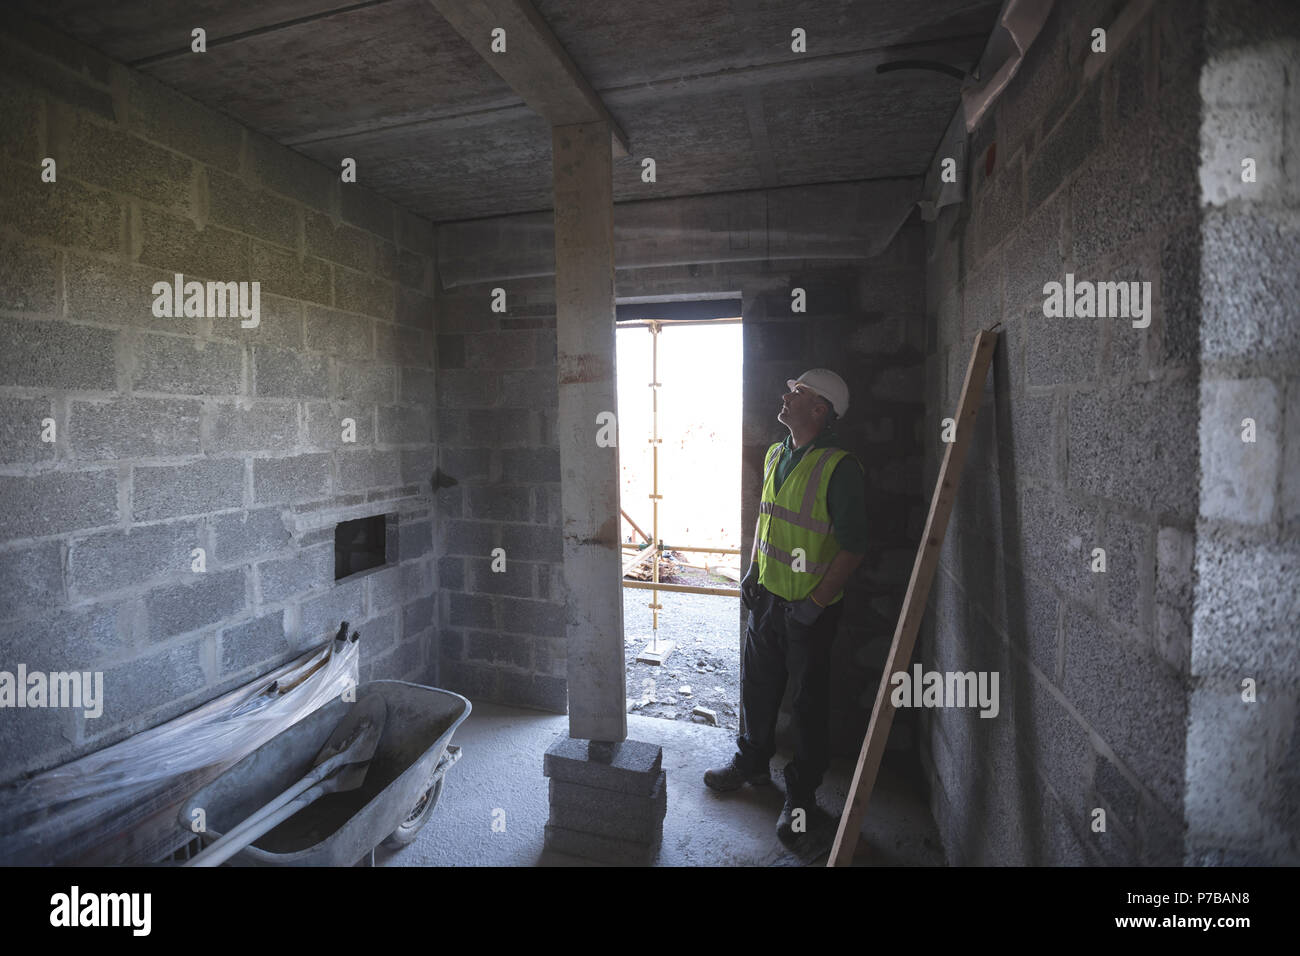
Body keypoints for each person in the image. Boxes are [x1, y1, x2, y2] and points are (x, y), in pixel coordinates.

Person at [704, 368, 867, 847]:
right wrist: (753, 571)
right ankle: (752, 762)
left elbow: (854, 547)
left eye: (797, 392)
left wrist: (815, 603)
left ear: (819, 408)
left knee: (807, 705)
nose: (785, 395)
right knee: (758, 687)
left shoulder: (840, 468)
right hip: (768, 598)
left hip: (809, 611)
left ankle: (801, 797)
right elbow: (767, 520)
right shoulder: (777, 452)